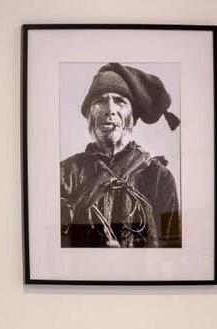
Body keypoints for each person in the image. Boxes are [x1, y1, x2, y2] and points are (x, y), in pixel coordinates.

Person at [60, 63, 181, 248]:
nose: (110, 109)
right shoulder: (65, 173)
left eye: (119, 101)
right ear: (89, 115)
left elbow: (173, 249)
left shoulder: (159, 178)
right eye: (100, 101)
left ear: (133, 116)